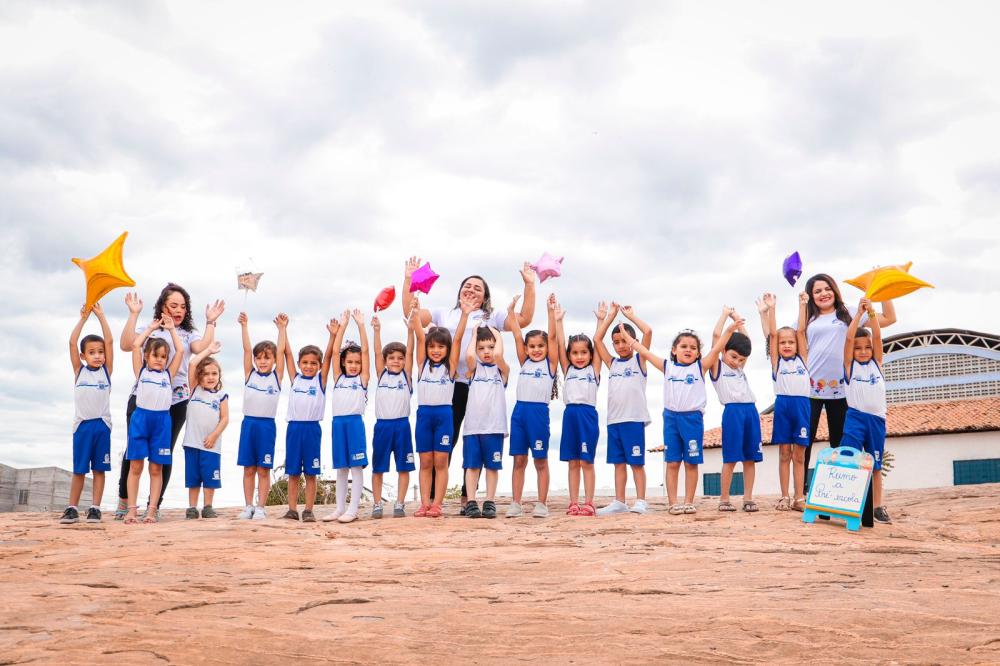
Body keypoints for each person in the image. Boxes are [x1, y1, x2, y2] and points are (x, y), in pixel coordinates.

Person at [401, 257, 536, 509]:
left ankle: (468, 497)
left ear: (485, 296)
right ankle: (431, 499)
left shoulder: (492, 316)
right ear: (459, 291)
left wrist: (529, 285)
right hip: (448, 386)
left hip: (478, 387)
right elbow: (412, 314)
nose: (471, 289)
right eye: (467, 285)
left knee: (475, 438)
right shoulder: (444, 313)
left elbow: (525, 319)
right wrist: (408, 279)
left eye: (477, 287)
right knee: (446, 440)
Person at [115, 285, 224, 519]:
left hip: (175, 401)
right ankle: (124, 501)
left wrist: (211, 323)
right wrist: (134, 315)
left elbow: (200, 347)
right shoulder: (150, 328)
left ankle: (154, 506)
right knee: (132, 452)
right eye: (173, 305)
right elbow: (127, 345)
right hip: (142, 400)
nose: (179, 310)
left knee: (164, 453)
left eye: (183, 306)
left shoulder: (186, 333)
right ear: (162, 305)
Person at [620, 318, 741, 515]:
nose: (688, 350)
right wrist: (628, 339)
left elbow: (717, 348)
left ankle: (688, 501)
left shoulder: (700, 367)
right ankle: (673, 502)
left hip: (692, 420)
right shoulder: (667, 366)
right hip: (671, 419)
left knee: (691, 462)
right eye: (683, 346)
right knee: (673, 462)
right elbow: (645, 352)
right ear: (674, 350)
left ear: (698, 353)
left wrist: (729, 329)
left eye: (693, 347)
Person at [800, 274, 895, 488]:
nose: (823, 294)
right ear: (811, 296)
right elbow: (785, 337)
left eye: (827, 289)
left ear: (834, 289)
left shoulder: (850, 312)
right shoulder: (807, 318)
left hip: (844, 390)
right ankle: (802, 490)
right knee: (805, 441)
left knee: (840, 443)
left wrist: (882, 290)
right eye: (817, 291)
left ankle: (839, 490)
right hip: (811, 389)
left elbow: (889, 318)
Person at [409, 298, 471, 517]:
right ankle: (424, 504)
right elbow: (418, 334)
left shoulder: (451, 367)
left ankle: (437, 504)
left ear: (447, 349)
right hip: (424, 415)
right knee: (425, 461)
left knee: (441, 461)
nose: (436, 350)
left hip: (444, 415)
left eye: (441, 347)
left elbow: (459, 338)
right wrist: (416, 313)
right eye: (432, 346)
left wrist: (464, 315)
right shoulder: (422, 364)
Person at [124, 315, 185, 523]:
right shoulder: (140, 372)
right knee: (135, 466)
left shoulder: (169, 375)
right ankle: (131, 510)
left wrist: (172, 330)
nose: (159, 359)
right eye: (155, 355)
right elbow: (135, 345)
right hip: (140, 419)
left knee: (156, 468)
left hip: (161, 422)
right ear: (147, 357)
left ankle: (151, 510)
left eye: (163, 356)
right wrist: (150, 328)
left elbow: (181, 351)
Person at [594, 302, 652, 516]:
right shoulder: (613, 363)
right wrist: (610, 316)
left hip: (633, 419)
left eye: (624, 340)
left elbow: (648, 331)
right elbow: (597, 340)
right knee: (618, 463)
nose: (621, 345)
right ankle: (619, 500)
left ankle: (642, 500)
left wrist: (631, 317)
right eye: (617, 342)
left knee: (636, 463)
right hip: (614, 421)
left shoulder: (640, 360)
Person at [505, 294, 559, 518]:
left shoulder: (550, 365)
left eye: (540, 346)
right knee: (519, 459)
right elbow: (517, 335)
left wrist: (550, 312)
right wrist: (510, 312)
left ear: (547, 348)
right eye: (532, 346)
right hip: (519, 413)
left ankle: (541, 504)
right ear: (526, 349)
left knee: (540, 459)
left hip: (538, 414)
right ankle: (515, 503)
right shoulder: (524, 361)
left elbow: (554, 337)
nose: (536, 350)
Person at [279, 315, 337, 523]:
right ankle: (292, 510)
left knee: (311, 473)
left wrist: (332, 336)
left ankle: (309, 510)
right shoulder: (295, 378)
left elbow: (330, 357)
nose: (309, 366)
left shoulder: (320, 381)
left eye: (313, 363)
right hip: (294, 429)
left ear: (319, 366)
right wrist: (283, 329)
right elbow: (286, 354)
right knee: (293, 472)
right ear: (299, 364)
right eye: (305, 362)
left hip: (312, 430)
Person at [757, 292, 810, 511]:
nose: (787, 345)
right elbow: (772, 335)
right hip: (783, 407)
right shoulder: (777, 363)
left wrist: (802, 304)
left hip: (802, 407)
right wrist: (772, 309)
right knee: (784, 453)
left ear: (798, 345)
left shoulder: (804, 359)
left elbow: (801, 331)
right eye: (783, 343)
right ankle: (784, 496)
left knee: (799, 455)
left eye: (791, 342)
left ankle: (799, 498)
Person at [63, 302, 114, 524]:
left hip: (101, 426)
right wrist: (83, 318)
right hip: (82, 426)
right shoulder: (79, 371)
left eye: (100, 352)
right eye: (92, 352)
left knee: (99, 470)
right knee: (79, 470)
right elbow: (72, 342)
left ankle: (95, 508)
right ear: (84, 356)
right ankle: (72, 508)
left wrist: (101, 316)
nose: (98, 356)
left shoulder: (107, 371)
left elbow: (110, 341)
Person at [706, 308, 761, 513]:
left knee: (750, 457)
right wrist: (725, 317)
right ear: (723, 351)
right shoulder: (717, 367)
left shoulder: (739, 367)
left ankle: (748, 498)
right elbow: (715, 337)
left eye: (741, 359)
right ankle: (724, 499)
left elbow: (747, 343)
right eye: (733, 356)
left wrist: (739, 320)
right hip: (733, 413)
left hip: (751, 412)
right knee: (730, 457)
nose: (737, 362)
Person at [842, 299, 891, 524]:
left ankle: (877, 507)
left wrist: (872, 313)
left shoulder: (877, 363)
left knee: (875, 465)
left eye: (867, 347)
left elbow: (878, 337)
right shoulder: (850, 367)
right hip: (855, 418)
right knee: (850, 461)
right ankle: (847, 503)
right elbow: (850, 338)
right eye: (858, 348)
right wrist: (857, 314)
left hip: (876, 421)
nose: (862, 351)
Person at [553, 297, 602, 517]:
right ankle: (573, 502)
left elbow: (599, 343)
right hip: (570, 415)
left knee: (586, 461)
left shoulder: (594, 370)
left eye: (584, 352)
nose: (579, 357)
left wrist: (601, 321)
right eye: (575, 353)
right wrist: (558, 321)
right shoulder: (568, 369)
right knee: (573, 462)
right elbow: (560, 345)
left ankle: (589, 502)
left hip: (587, 415)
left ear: (590, 354)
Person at [236, 312, 287, 520]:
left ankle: (260, 507)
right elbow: (247, 350)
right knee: (249, 468)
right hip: (249, 424)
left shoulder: (276, 376)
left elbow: (282, 350)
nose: (262, 361)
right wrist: (244, 325)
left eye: (267, 357)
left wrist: (282, 330)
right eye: (259, 358)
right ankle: (248, 506)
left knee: (263, 469)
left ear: (274, 360)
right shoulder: (250, 374)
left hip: (266, 426)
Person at [322, 309, 371, 524]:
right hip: (337, 423)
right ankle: (339, 508)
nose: (353, 365)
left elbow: (367, 352)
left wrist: (361, 325)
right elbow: (334, 353)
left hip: (354, 423)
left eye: (357, 363)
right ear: (344, 363)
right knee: (341, 467)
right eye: (350, 362)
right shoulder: (338, 377)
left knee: (356, 466)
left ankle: (353, 509)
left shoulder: (362, 379)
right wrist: (341, 327)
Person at [370, 311, 416, 519]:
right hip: (383, 426)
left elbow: (412, 351)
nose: (396, 361)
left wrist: (410, 330)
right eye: (392, 358)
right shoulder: (381, 375)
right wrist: (377, 330)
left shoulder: (406, 376)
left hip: (402, 426)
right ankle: (377, 504)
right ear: (386, 361)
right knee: (378, 467)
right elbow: (377, 351)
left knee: (403, 467)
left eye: (400, 358)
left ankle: (400, 503)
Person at [461, 326, 510, 519]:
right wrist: (474, 335)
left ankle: (490, 501)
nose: (487, 352)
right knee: (472, 466)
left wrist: (495, 333)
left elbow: (498, 355)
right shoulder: (473, 370)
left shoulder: (502, 371)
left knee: (492, 466)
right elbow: (469, 356)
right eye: (481, 348)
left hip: (495, 427)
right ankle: (471, 501)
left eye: (490, 347)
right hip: (473, 428)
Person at [182, 342, 228, 519]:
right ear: (199, 377)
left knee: (210, 478)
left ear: (219, 376)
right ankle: (192, 507)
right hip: (192, 443)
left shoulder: (221, 395)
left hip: (211, 445)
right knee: (193, 478)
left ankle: (208, 506)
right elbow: (193, 364)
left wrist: (214, 435)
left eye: (214, 373)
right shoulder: (194, 391)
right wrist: (208, 350)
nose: (210, 377)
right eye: (206, 374)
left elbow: (225, 418)